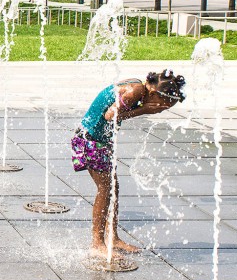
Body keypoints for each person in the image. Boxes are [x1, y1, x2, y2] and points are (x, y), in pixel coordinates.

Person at [74, 70, 186, 257]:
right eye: (162, 107)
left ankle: (112, 237)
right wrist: (146, 110)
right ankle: (96, 243)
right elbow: (111, 115)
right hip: (90, 140)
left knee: (113, 189)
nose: (160, 110)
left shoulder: (140, 86)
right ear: (155, 94)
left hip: (100, 139)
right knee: (105, 189)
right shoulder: (135, 91)